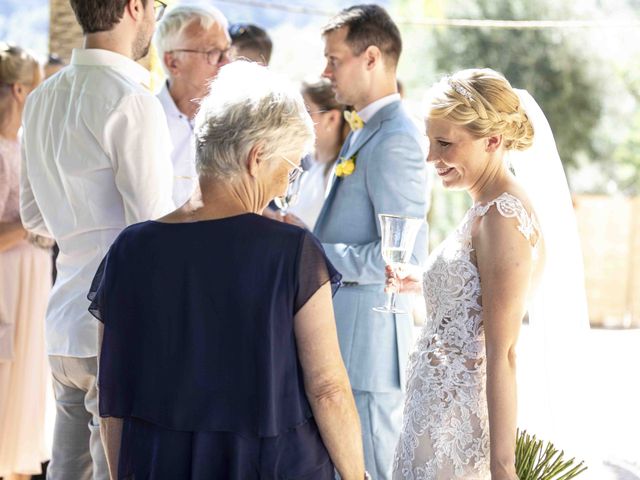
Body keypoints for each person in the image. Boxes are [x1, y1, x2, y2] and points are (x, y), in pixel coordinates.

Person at [88, 60, 366, 480]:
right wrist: (358, 475)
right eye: (288, 170)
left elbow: (112, 395)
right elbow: (328, 388)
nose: (283, 187)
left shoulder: (130, 248)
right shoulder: (290, 252)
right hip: (271, 466)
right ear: (256, 158)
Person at [390, 69, 590, 479]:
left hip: (453, 431)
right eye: (430, 142)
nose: (431, 158)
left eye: (444, 144)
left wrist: (503, 466)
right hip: (432, 416)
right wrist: (424, 282)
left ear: (493, 141)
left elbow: (504, 351)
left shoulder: (503, 217)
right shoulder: (487, 205)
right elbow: (473, 301)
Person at [20, 1, 175, 478]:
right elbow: (154, 229)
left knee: (66, 469)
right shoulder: (132, 99)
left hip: (64, 317)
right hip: (118, 322)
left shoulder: (42, 97)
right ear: (135, 7)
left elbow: (33, 216)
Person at [314, 5, 430, 479]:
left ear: (372, 58)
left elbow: (403, 257)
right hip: (348, 342)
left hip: (371, 351)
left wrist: (309, 253)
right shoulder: (367, 130)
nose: (325, 71)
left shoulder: (397, 139)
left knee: (373, 470)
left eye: (334, 59)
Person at [0, 42, 50, 480]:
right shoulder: (0, 149)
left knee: (25, 380)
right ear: (18, 90)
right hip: (7, 279)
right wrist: (35, 226)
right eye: (37, 86)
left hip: (31, 276)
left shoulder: (22, 143)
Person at [154, 4, 231, 207]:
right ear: (173, 63)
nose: (226, 62)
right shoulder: (145, 120)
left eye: (227, 51)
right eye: (213, 52)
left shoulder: (232, 122)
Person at [286, 77, 349, 230]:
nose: (297, 120)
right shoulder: (310, 166)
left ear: (332, 118)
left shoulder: (339, 173)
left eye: (306, 112)